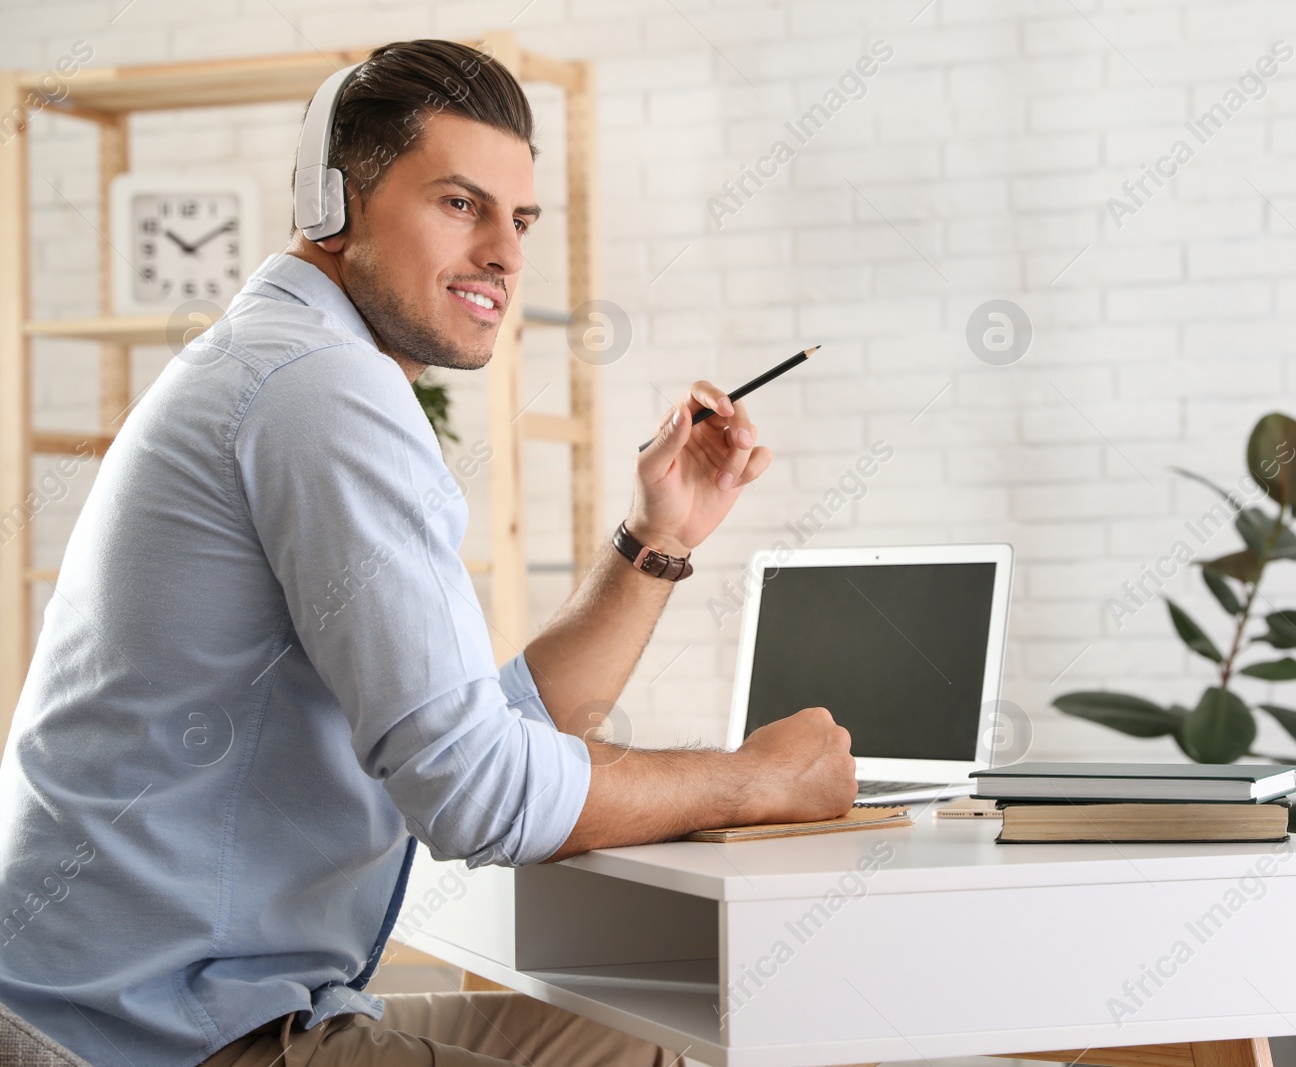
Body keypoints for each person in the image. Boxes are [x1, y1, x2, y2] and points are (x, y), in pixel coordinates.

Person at [0, 39, 856, 1067]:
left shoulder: (288, 363)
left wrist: (658, 535)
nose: (506, 251)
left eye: (520, 219)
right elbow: (476, 790)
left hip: (181, 997)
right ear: (331, 205)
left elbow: (482, 733)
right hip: (155, 1033)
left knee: (636, 1049)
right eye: (460, 204)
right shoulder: (319, 390)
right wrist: (749, 780)